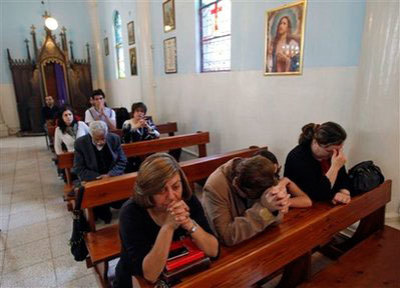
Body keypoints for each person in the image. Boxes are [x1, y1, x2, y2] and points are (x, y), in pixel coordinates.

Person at [114, 153, 219, 287]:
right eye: (161, 190)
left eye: (176, 187)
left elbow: (214, 251)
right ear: (148, 192)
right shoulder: (130, 213)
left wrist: (189, 224)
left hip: (180, 272)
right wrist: (168, 227)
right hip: (134, 280)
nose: (171, 196)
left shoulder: (189, 200)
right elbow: (150, 275)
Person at [202, 155, 290, 247]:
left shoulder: (262, 174)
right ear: (235, 183)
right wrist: (264, 208)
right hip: (227, 249)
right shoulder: (214, 188)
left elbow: (276, 221)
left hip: (256, 239)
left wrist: (275, 207)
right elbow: (227, 237)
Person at [284, 122, 351, 205]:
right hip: (303, 207)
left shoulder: (332, 155)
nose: (335, 154)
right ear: (315, 142)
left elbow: (343, 178)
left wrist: (344, 193)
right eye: (329, 151)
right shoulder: (297, 158)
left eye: (339, 149)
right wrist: (335, 167)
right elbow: (318, 194)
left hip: (326, 205)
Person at [73, 121, 127, 222]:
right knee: (104, 215)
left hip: (112, 176)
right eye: (97, 139)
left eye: (103, 138)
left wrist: (110, 174)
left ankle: (113, 203)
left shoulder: (114, 138)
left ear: (107, 133)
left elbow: (122, 160)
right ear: (91, 135)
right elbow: (79, 168)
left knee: (122, 201)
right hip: (94, 179)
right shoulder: (80, 143)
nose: (100, 142)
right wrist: (98, 177)